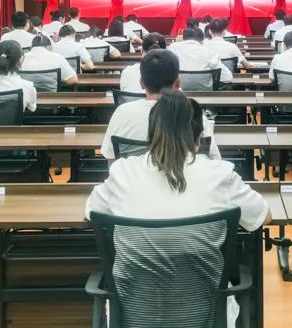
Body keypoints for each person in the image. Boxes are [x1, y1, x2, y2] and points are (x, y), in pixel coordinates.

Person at [86, 89, 271, 327]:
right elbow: (264, 216)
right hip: (206, 318)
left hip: (133, 318)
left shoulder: (122, 172)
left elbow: (91, 211)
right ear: (198, 139)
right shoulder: (220, 175)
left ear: (151, 136)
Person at [101, 49, 221, 160]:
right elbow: (213, 158)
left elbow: (110, 158)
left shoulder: (121, 113)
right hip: (183, 176)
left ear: (141, 83)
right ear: (178, 83)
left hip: (132, 176)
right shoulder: (193, 114)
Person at [169, 27, 233, 84]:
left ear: (183, 38)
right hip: (206, 92)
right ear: (202, 41)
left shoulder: (173, 47)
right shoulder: (209, 52)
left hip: (178, 90)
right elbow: (228, 78)